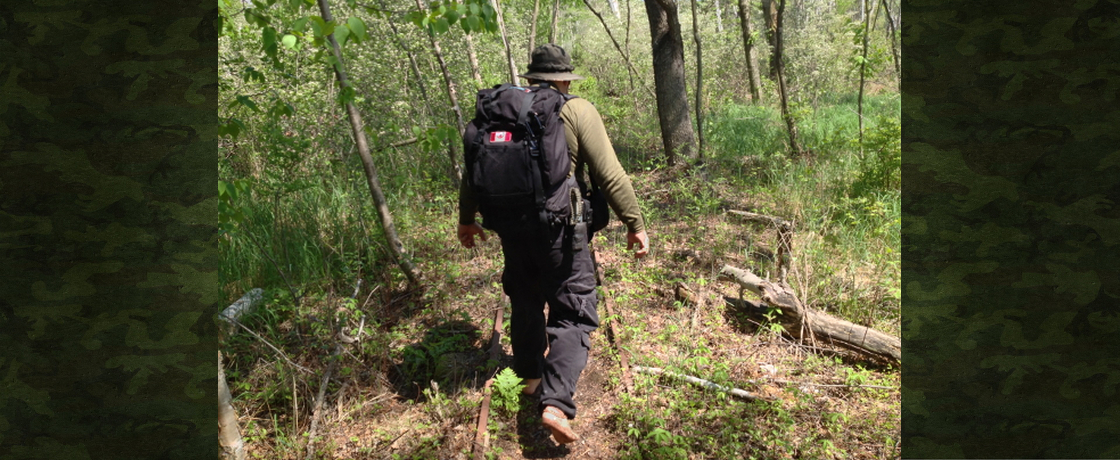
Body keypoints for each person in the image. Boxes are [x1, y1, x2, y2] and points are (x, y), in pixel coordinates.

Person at [456, 44, 649, 444]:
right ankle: (556, 403)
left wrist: (466, 220)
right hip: (561, 229)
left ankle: (529, 375)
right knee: (573, 309)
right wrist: (636, 224)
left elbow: (472, 174)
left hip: (511, 226)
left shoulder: (500, 111)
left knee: (524, 296)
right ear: (564, 79)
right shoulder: (576, 110)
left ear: (531, 79)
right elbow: (609, 174)